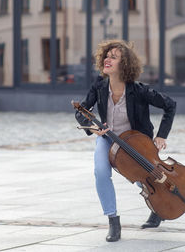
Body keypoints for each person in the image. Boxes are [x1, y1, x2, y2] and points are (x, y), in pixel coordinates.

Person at [74, 39, 176, 242]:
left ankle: (158, 208)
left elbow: (170, 105)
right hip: (107, 139)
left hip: (134, 141)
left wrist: (161, 135)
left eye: (114, 57)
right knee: (101, 172)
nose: (107, 60)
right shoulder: (99, 86)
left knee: (144, 177)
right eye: (106, 56)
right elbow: (82, 111)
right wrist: (94, 128)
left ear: (125, 64)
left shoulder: (139, 90)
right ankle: (113, 221)